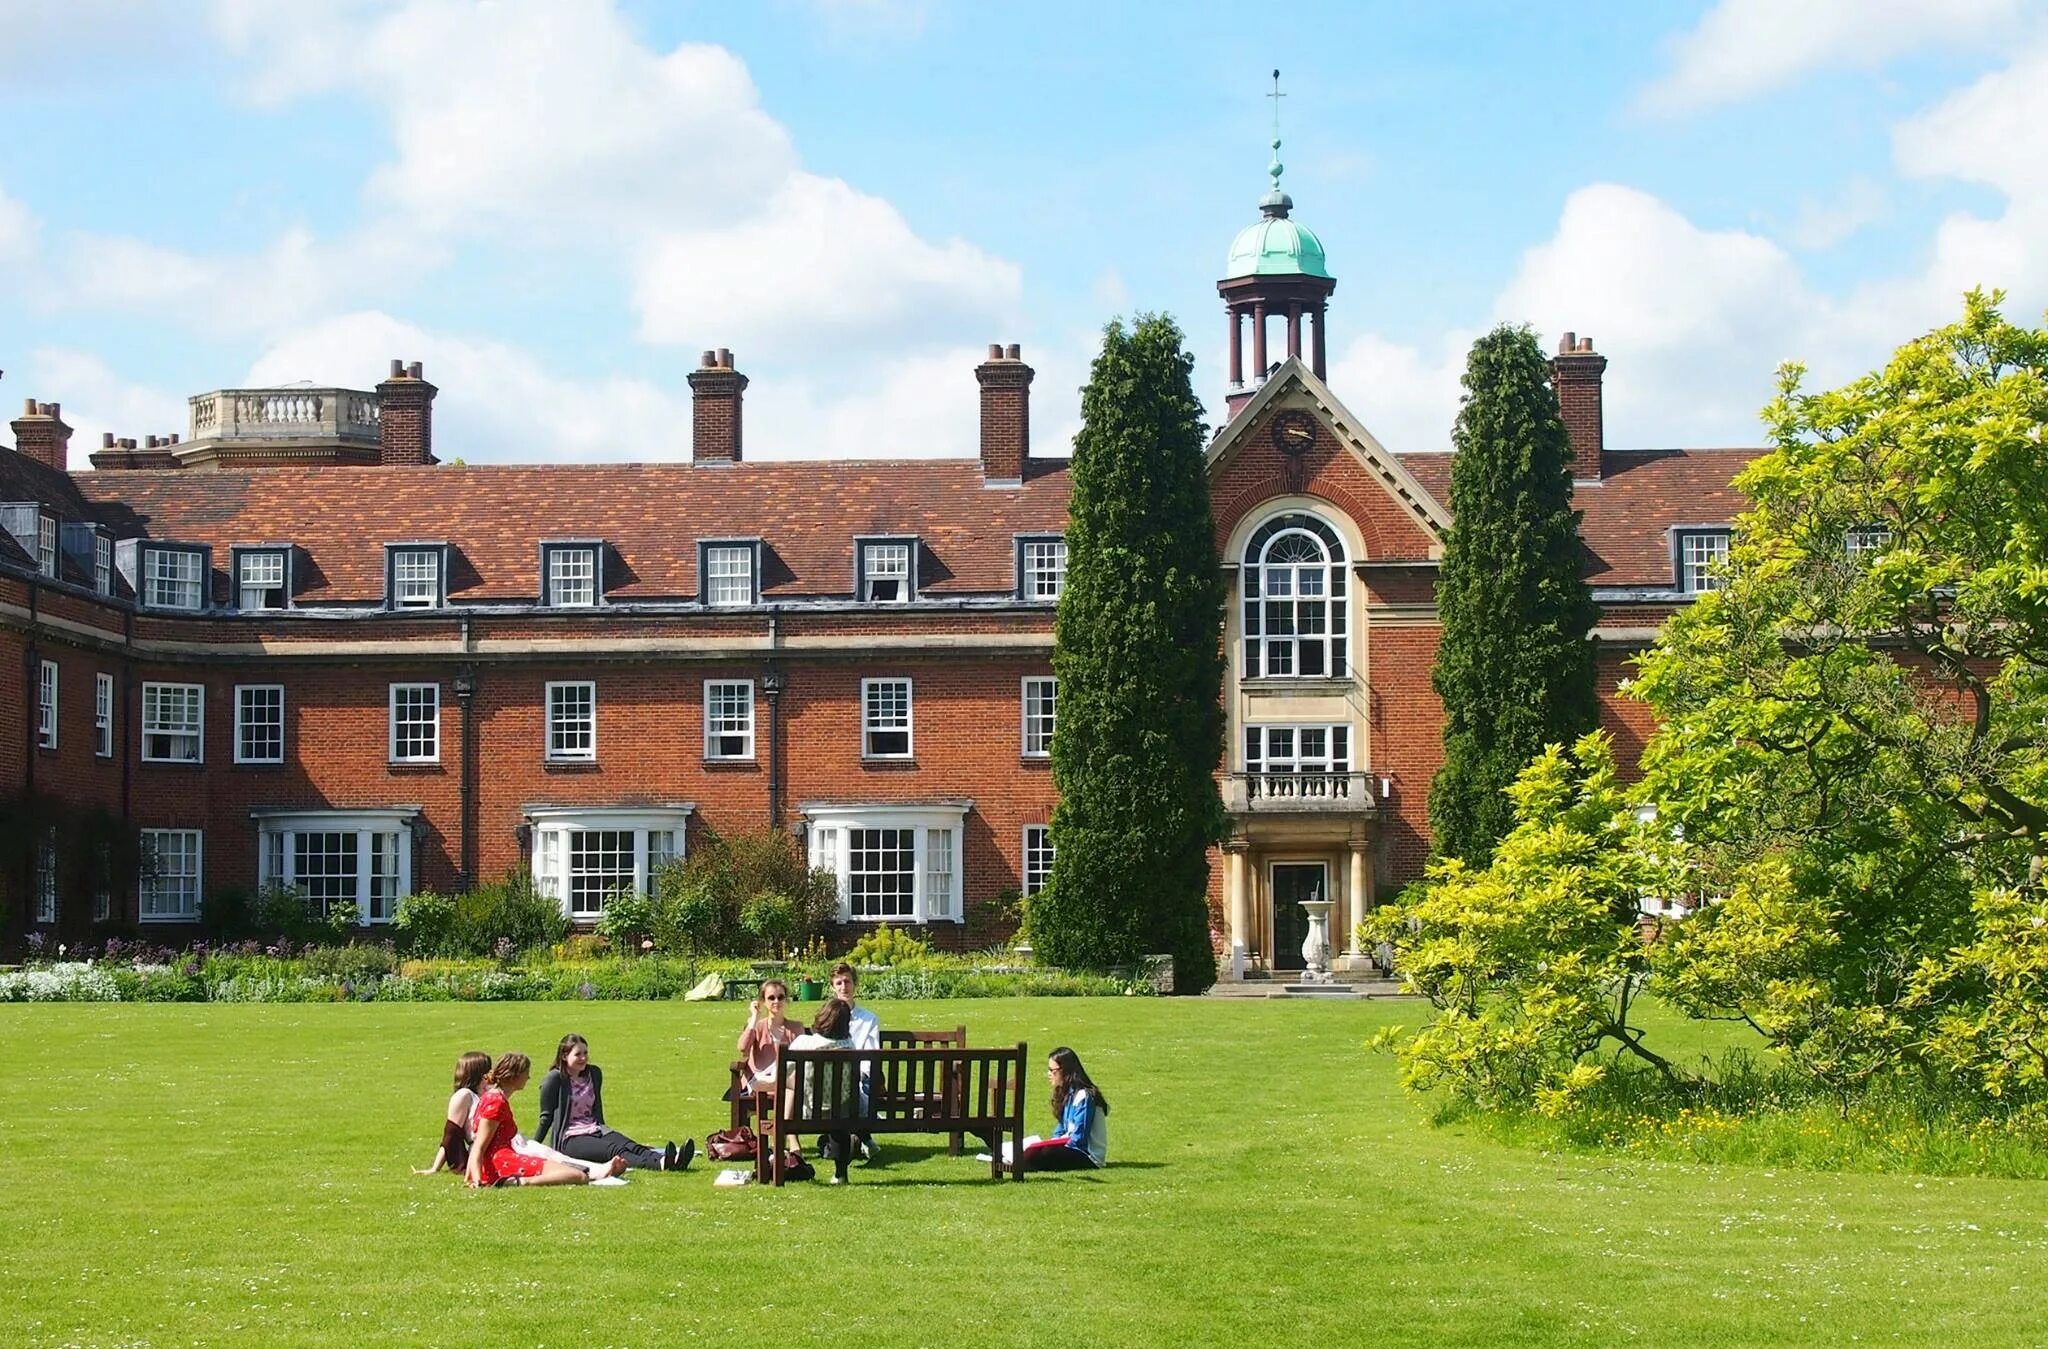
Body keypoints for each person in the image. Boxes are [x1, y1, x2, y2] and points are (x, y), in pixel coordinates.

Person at [534, 1034, 692, 1172]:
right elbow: (546, 1117)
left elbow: (597, 1109)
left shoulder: (594, 1074)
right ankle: (661, 1164)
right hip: (570, 1138)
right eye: (578, 1054)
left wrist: (604, 1130)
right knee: (615, 1150)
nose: (583, 1058)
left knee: (630, 1145)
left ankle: (673, 1159)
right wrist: (533, 1147)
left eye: (585, 1053)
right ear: (563, 1056)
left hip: (595, 1129)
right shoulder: (554, 1079)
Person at [467, 1052, 626, 1188]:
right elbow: (479, 1146)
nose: (528, 1077)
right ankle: (518, 1182)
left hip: (504, 1158)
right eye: (526, 1073)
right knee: (579, 1177)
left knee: (564, 1167)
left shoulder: (493, 1097)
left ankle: (598, 1172)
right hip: (502, 1162)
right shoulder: (496, 1102)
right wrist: (477, 1179)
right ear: (514, 1076)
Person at [785, 998, 860, 1184]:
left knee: (789, 1086)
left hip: (807, 1112)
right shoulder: (850, 1047)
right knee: (838, 1118)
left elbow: (784, 1074)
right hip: (842, 1112)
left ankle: (787, 1147)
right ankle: (840, 1174)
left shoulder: (804, 1043)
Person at [1021, 1047, 1109, 1173]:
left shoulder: (1085, 1096)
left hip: (1088, 1155)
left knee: (1046, 1152)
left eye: (1052, 1070)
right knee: (1036, 1150)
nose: (1049, 1074)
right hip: (1072, 1148)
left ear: (1066, 1071)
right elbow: (1061, 1129)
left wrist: (1053, 1148)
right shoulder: (1067, 1094)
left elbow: (1079, 1138)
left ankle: (1026, 1163)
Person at [830, 962, 881, 1160]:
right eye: (839, 983)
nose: (844, 987)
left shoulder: (868, 1019)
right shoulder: (827, 1015)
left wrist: (858, 1072)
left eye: (848, 982)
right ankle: (864, 1140)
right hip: (832, 1076)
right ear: (833, 987)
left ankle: (857, 1141)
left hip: (860, 1075)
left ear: (855, 984)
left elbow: (872, 1052)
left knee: (852, 1091)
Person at [414, 1050, 489, 1176]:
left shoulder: (486, 1092)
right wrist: (435, 1168)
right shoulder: (464, 1095)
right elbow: (451, 1134)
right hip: (483, 1149)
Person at [736, 978, 803, 1086]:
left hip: (787, 1081)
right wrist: (754, 1018)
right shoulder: (757, 1026)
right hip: (759, 1082)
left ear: (786, 1000)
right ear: (763, 1001)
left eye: (780, 997)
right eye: (771, 998)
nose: (776, 1001)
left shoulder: (796, 1028)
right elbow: (743, 1048)